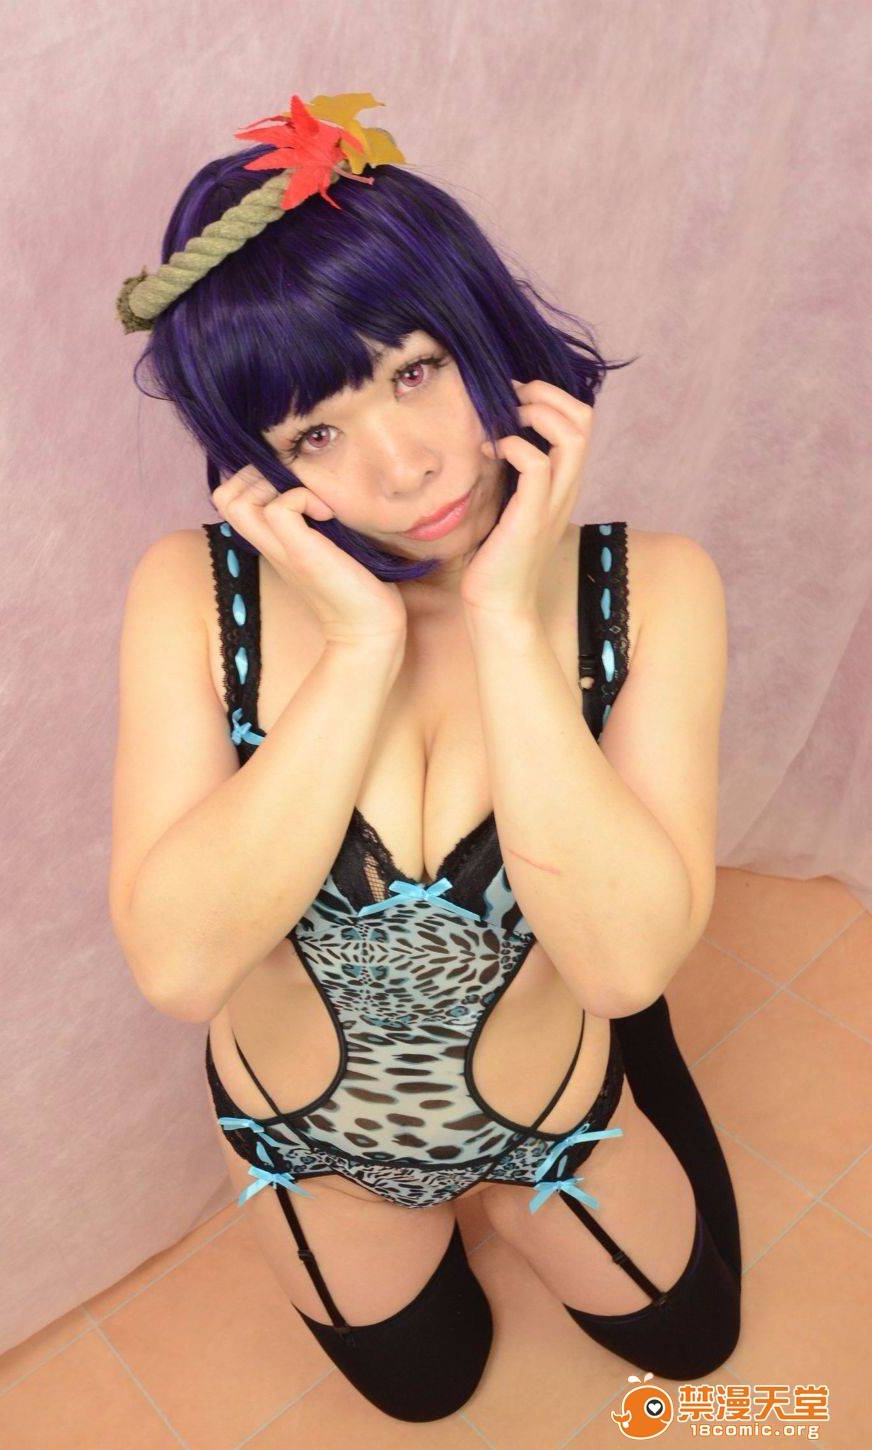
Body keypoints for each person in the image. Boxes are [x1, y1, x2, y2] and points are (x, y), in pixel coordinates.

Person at [109, 92, 740, 1423]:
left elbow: (624, 967)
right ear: (259, 465)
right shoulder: (192, 594)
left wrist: (506, 617)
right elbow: (179, 967)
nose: (402, 469)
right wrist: (359, 648)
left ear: (481, 328)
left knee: (696, 1347)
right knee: (427, 1390)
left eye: (415, 370)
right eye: (316, 434)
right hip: (309, 1140)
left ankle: (633, 1070)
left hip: (555, 1108)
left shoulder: (656, 587)